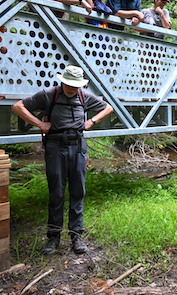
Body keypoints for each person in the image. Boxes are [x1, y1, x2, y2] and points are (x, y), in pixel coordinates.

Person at [11, 66, 114, 254]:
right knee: (56, 191)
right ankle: (53, 236)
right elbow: (18, 106)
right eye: (68, 84)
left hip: (78, 146)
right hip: (55, 146)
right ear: (62, 81)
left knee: (78, 190)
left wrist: (91, 121)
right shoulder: (49, 94)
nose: (71, 88)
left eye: (75, 86)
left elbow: (108, 107)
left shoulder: (84, 96)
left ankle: (76, 235)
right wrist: (40, 124)